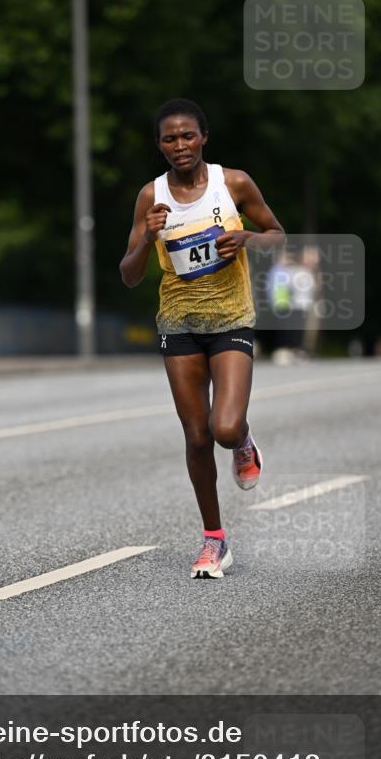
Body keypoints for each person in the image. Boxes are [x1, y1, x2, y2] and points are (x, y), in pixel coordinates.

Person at [119, 99, 285, 579]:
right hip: (178, 324)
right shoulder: (150, 198)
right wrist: (147, 240)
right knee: (196, 436)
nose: (179, 146)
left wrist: (247, 240)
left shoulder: (231, 183)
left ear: (203, 138)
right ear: (159, 145)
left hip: (231, 319)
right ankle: (215, 540)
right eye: (169, 139)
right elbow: (129, 275)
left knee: (225, 428)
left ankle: (245, 442)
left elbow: (277, 233)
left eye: (187, 135)